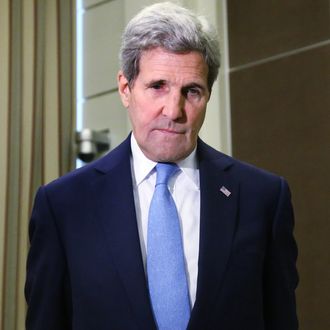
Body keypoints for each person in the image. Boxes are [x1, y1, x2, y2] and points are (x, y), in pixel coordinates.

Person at [25, 2, 298, 330]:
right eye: (158, 87)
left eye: (192, 91)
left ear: (208, 94)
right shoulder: (64, 205)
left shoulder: (262, 198)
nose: (174, 110)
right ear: (126, 89)